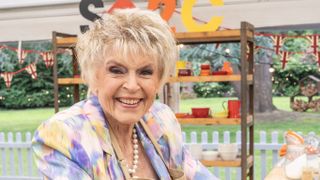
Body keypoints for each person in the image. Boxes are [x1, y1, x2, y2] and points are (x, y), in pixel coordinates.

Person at [32, 8, 219, 180]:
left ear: (159, 79)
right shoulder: (65, 135)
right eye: (116, 70)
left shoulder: (161, 118)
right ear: (93, 76)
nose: (131, 85)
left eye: (145, 72)